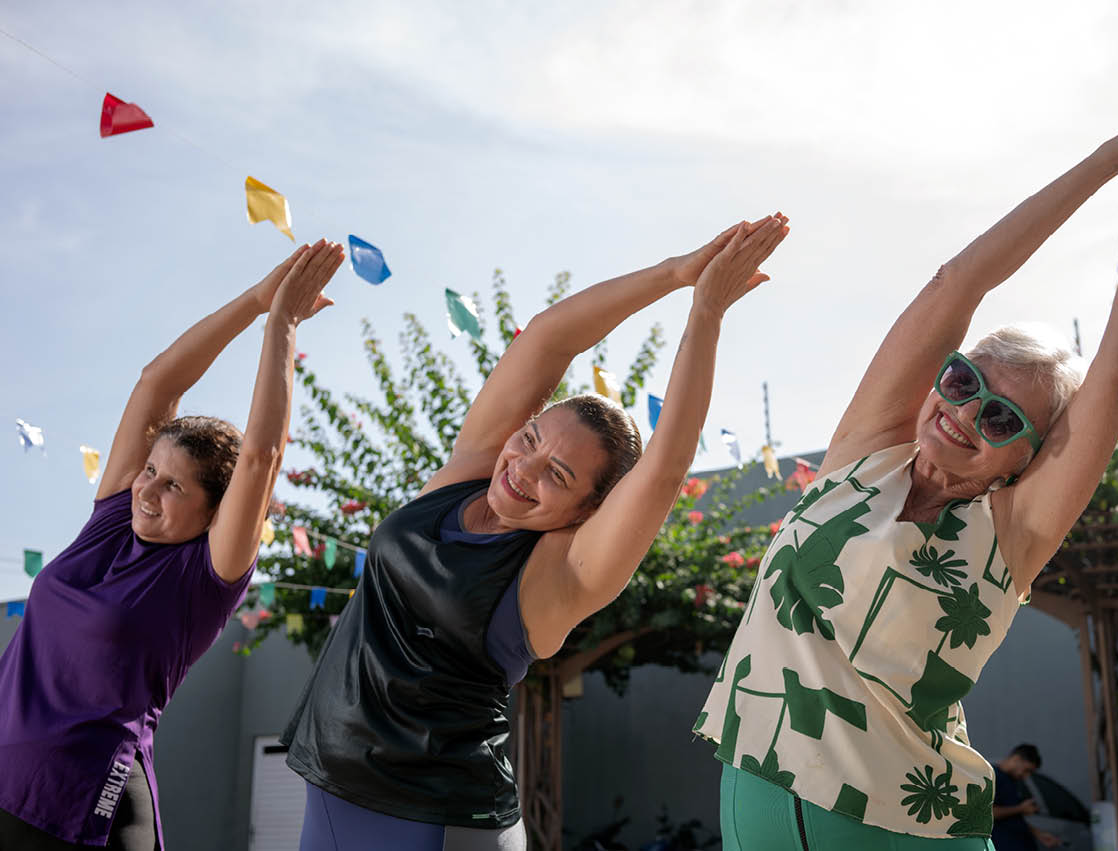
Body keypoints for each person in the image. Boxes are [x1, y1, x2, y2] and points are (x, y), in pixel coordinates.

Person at [695, 60, 1118, 850]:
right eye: (961, 380)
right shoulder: (862, 455)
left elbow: (1117, 375)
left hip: (905, 830)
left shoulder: (1008, 533)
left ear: (1023, 459)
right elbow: (959, 280)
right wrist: (1111, 157)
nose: (960, 413)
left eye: (998, 418)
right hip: (755, 802)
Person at [281, 216, 789, 851]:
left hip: (437, 824)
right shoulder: (469, 471)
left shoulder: (560, 573)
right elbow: (548, 340)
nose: (521, 467)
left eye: (559, 473)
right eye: (529, 439)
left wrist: (706, 311)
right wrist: (676, 273)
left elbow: (664, 467)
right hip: (330, 785)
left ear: (585, 511)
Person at [0, 241, 344, 850]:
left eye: (174, 484)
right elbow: (157, 380)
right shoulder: (109, 520)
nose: (147, 490)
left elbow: (262, 455)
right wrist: (256, 301)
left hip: (85, 806)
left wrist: (282, 324)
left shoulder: (203, 577)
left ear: (215, 509)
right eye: (149, 470)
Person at [992, 745, 1059, 850]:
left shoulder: (1012, 781)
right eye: (1026, 770)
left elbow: (1014, 818)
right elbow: (989, 813)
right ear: (1016, 759)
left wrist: (1038, 834)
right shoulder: (992, 776)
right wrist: (1021, 809)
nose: (1025, 775)